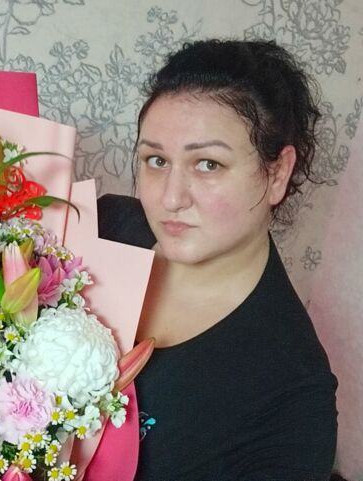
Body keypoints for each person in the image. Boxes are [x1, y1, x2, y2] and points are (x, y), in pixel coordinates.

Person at [97, 39, 338, 481]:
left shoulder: (291, 395)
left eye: (207, 164)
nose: (171, 198)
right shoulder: (100, 228)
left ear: (277, 173)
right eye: (156, 160)